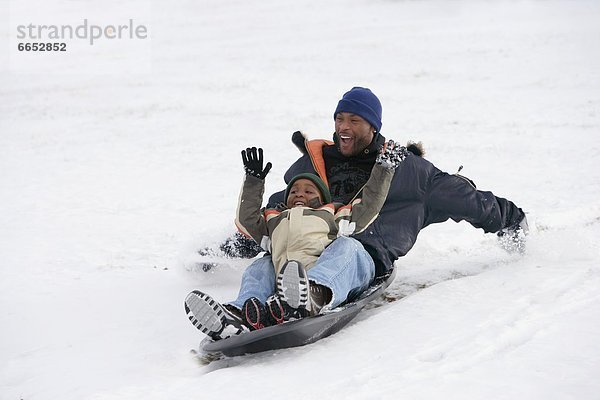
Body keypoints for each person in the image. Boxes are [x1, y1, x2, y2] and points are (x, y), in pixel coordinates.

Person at [185, 86, 528, 341]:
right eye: (339, 118)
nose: (343, 126)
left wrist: (512, 223)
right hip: (301, 254)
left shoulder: (409, 173)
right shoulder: (317, 165)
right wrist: (226, 250)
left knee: (347, 249)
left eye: (354, 119)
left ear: (373, 127)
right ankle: (238, 314)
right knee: (265, 260)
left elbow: (465, 198)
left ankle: (315, 295)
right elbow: (277, 213)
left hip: (362, 253)